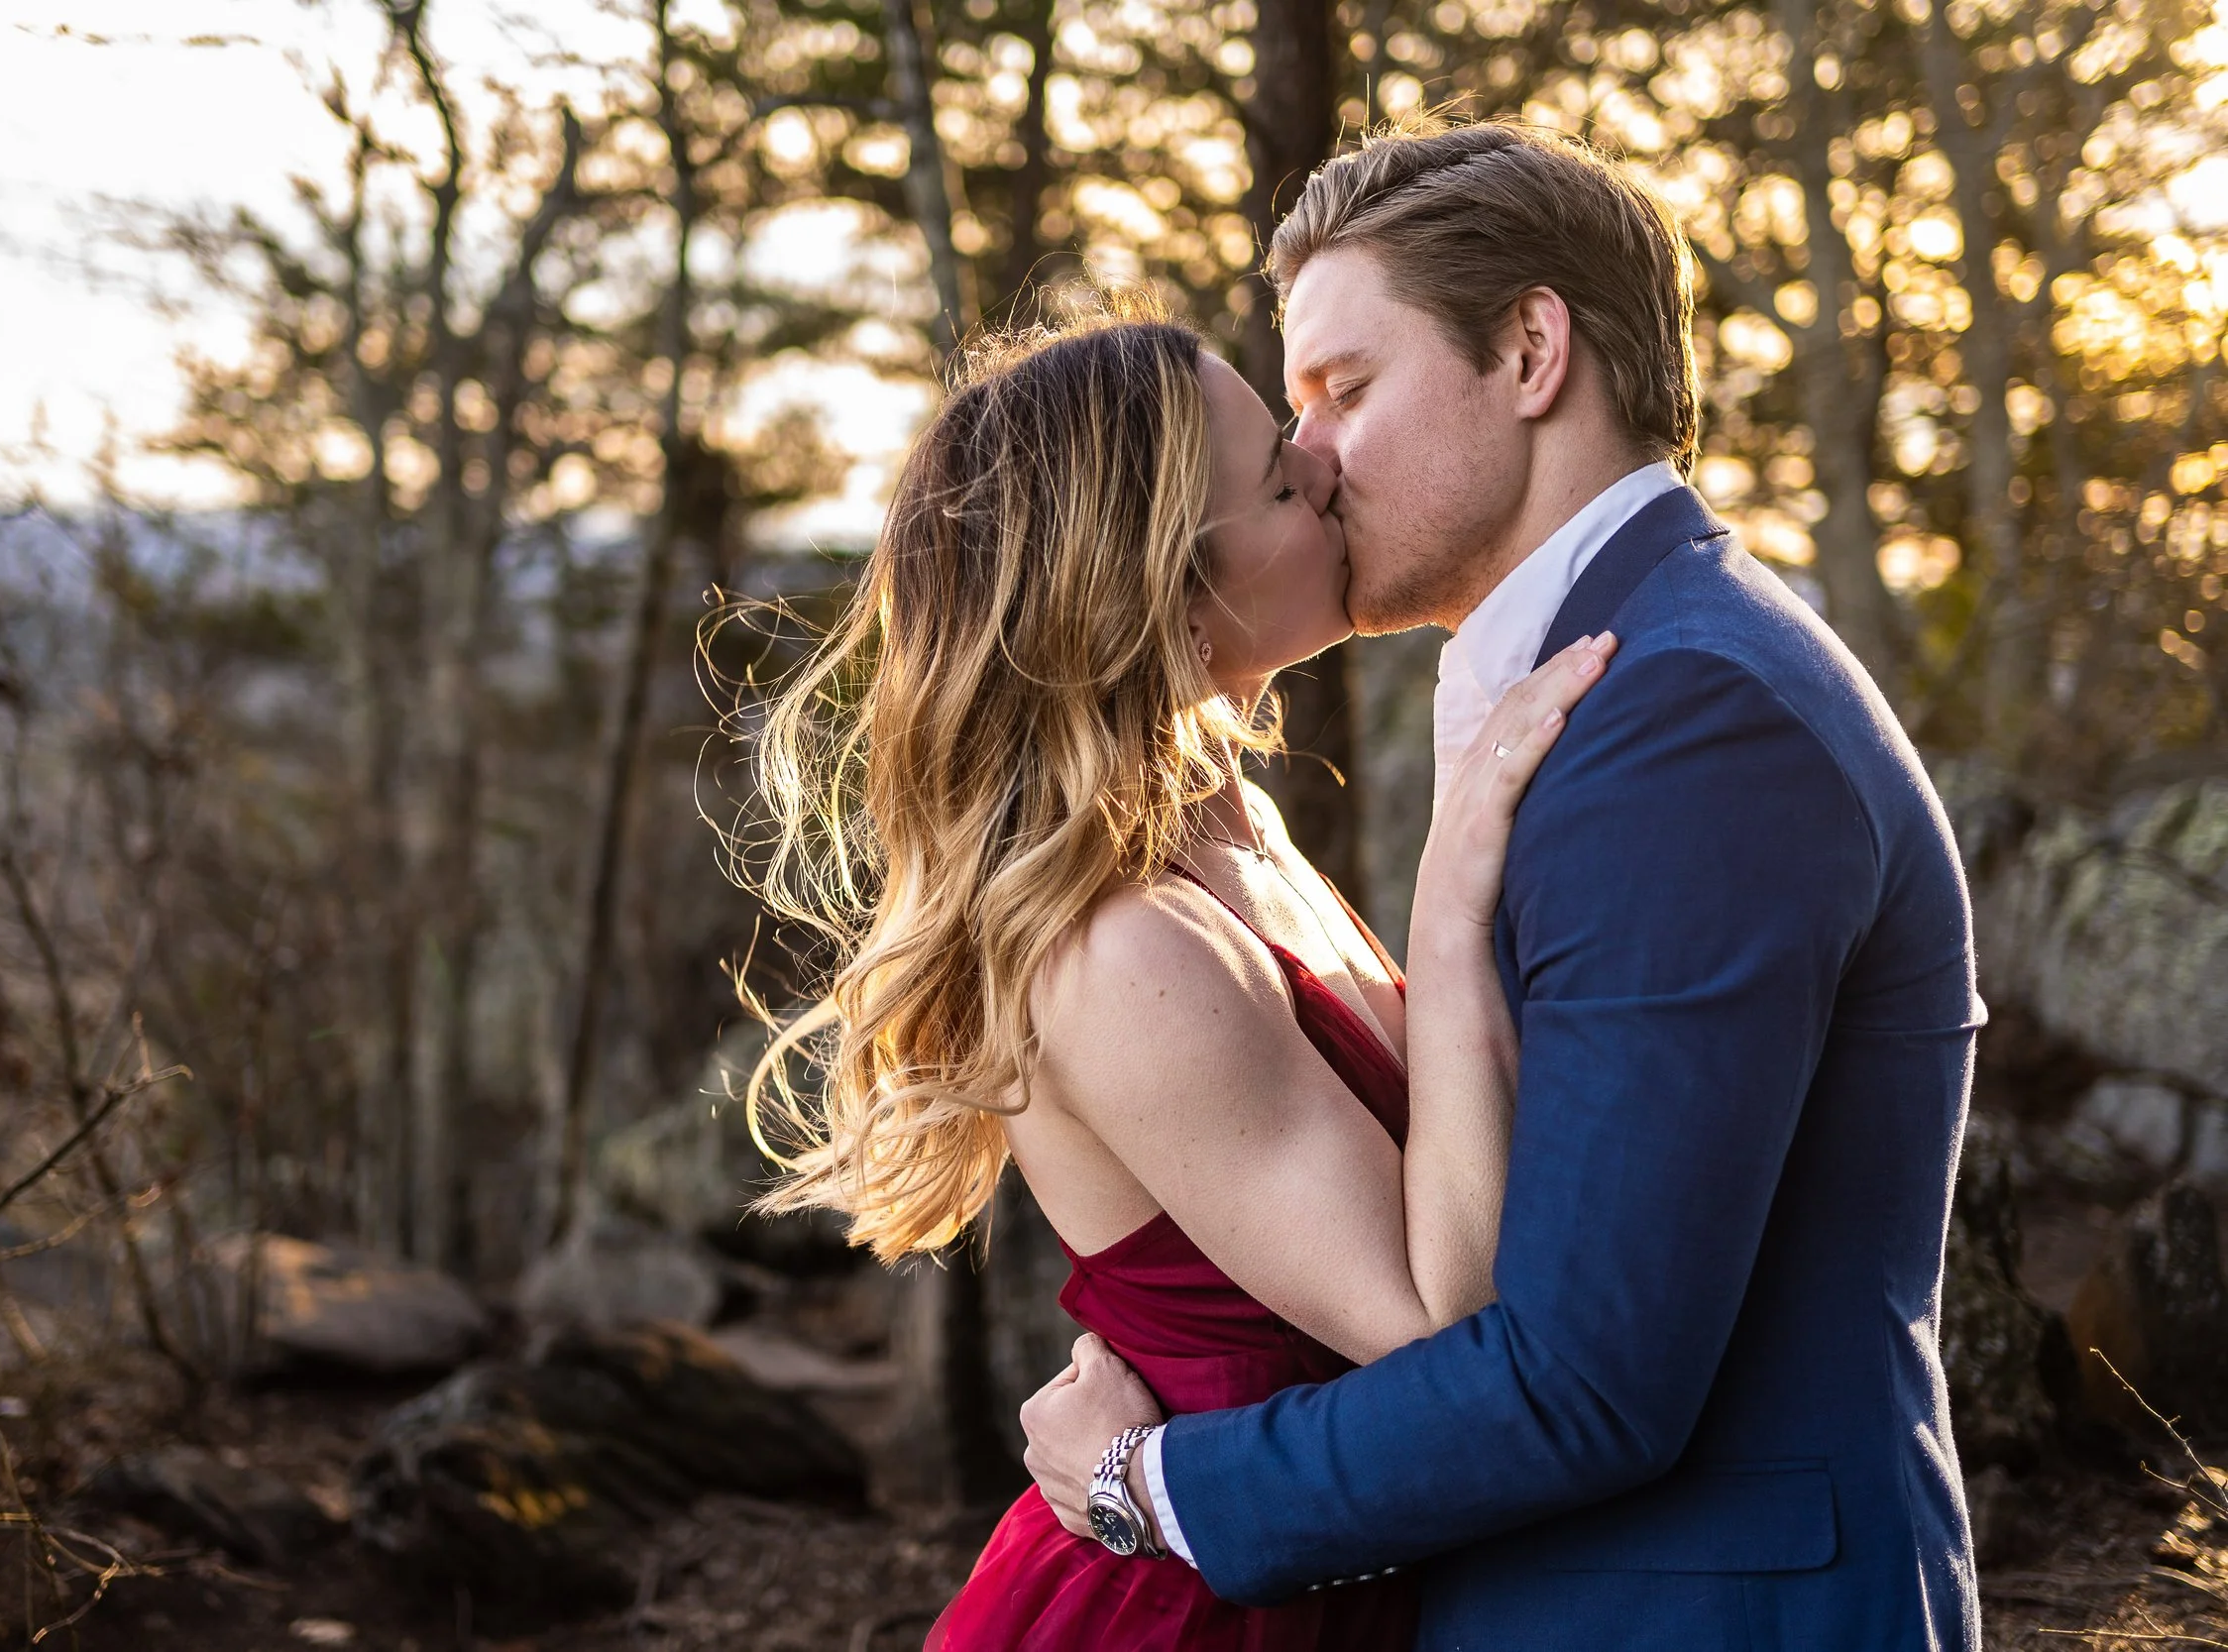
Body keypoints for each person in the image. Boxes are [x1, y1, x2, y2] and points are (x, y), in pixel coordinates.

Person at [1017, 120, 1984, 1650]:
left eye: (1346, 389)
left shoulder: (1688, 719)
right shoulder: (1628, 676)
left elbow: (1582, 1379)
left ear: (1531, 351)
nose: (1312, 456)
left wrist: (1155, 1482)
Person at [736, 293, 1615, 1652]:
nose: (1326, 461)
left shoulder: (1228, 821)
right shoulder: (1119, 944)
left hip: (1322, 1569)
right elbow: (1442, 1331)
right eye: (1279, 478)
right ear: (1165, 593)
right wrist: (1449, 914)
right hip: (1189, 1613)